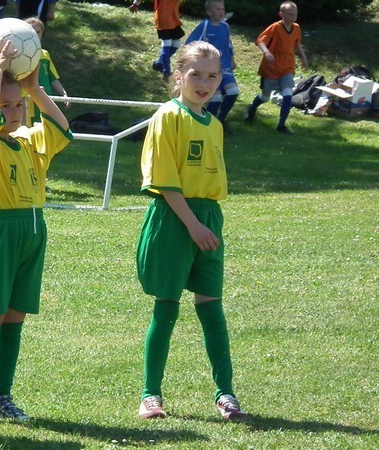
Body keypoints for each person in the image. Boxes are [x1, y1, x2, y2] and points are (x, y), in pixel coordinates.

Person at [0, 37, 72, 424]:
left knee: (13, 322)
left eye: (17, 105)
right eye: (5, 105)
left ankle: (0, 395)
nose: (13, 111)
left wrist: (34, 89)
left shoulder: (30, 141)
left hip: (33, 234)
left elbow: (60, 126)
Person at [136, 41, 247, 422]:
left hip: (207, 218)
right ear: (178, 75)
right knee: (166, 308)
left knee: (212, 307)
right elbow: (166, 182)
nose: (203, 82)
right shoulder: (168, 116)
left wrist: (206, 222)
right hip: (175, 217)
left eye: (212, 75)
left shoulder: (214, 125)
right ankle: (150, 395)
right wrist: (193, 224)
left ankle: (226, 394)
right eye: (195, 74)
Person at [244, 1, 308, 134]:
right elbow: (260, 41)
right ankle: (252, 108)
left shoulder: (296, 28)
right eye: (290, 14)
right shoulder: (275, 27)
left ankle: (281, 125)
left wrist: (303, 58)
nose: (293, 17)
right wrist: (266, 52)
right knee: (265, 97)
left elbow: (297, 44)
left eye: (295, 14)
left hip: (287, 67)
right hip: (271, 68)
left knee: (287, 95)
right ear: (281, 14)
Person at [185, 0, 238, 134]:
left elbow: (228, 45)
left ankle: (221, 120)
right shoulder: (205, 26)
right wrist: (197, 60)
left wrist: (232, 59)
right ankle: (207, 124)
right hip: (210, 70)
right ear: (209, 12)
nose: (221, 12)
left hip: (225, 67)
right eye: (218, 9)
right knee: (215, 98)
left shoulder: (225, 26)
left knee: (233, 92)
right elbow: (190, 43)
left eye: (223, 9)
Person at [23, 16, 69, 126]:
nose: (35, 35)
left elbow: (52, 78)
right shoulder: (20, 56)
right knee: (28, 131)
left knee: (48, 129)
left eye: (38, 32)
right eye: (31, 31)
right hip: (27, 100)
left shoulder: (45, 55)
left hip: (45, 99)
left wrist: (64, 94)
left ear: (42, 33)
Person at [129, 0, 183, 80]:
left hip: (173, 18)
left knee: (176, 43)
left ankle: (158, 64)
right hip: (163, 17)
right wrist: (135, 4)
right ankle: (166, 72)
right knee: (166, 43)